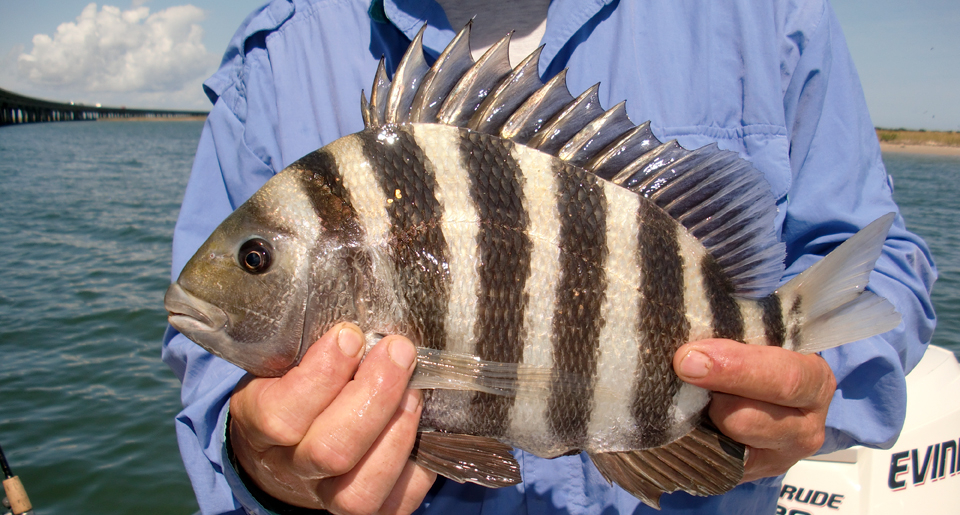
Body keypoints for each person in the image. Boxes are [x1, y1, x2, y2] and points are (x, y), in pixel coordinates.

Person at [162, 0, 936, 513]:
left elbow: (881, 267)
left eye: (256, 258)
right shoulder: (276, 54)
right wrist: (264, 464)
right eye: (257, 258)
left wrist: (802, 394)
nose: (240, 272)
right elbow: (210, 382)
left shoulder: (768, 14)